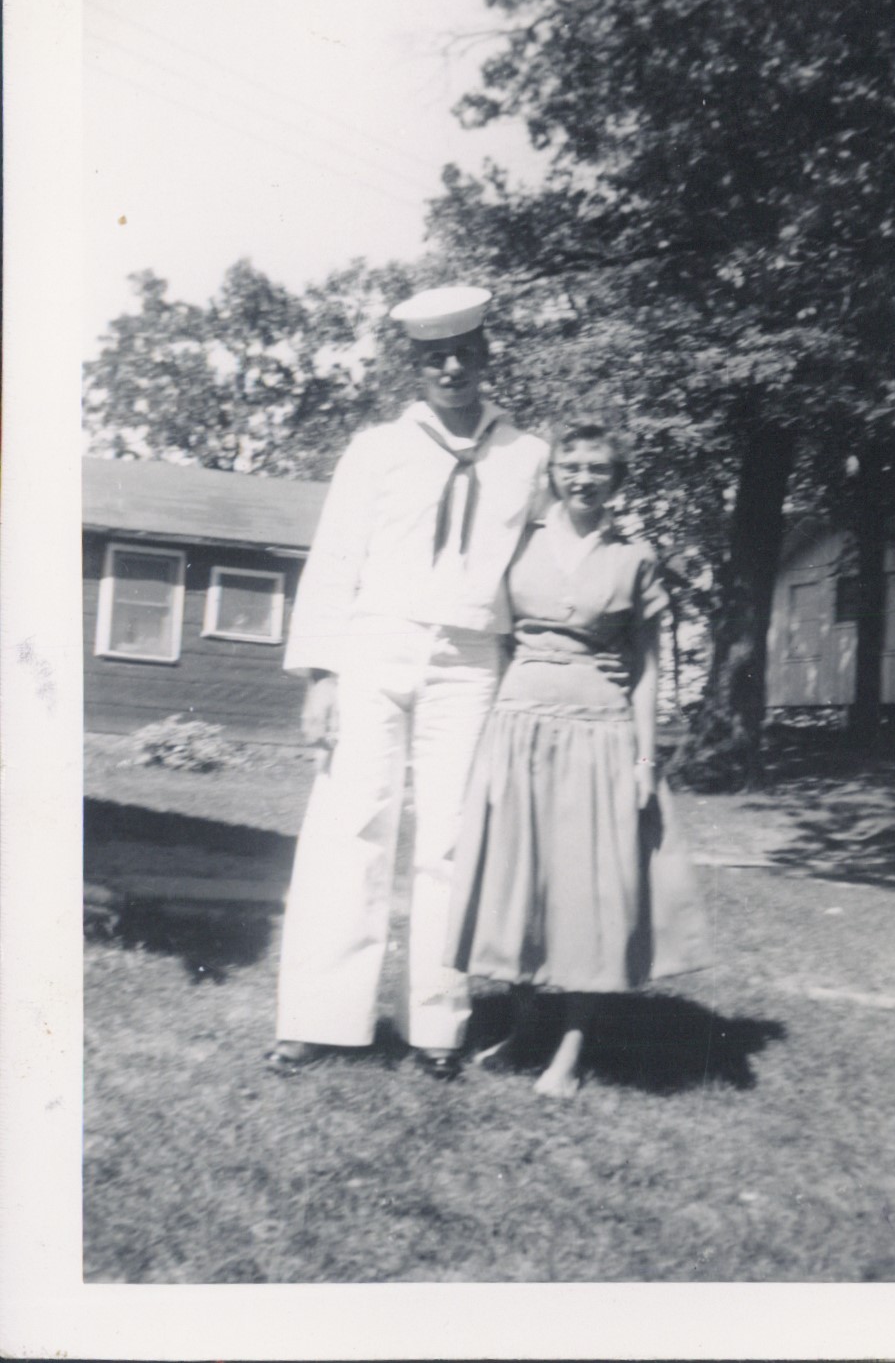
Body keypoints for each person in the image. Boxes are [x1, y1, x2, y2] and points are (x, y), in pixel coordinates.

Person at [266, 285, 549, 1080]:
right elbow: (335, 562)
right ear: (415, 367)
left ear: (486, 355)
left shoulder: (528, 455)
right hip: (374, 647)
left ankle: (437, 1026)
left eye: (464, 353)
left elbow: (538, 570)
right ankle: (318, 1017)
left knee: (452, 838)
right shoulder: (376, 449)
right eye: (435, 358)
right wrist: (322, 675)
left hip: (472, 658)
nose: (452, 369)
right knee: (350, 823)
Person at [444, 418, 712, 1098]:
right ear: (554, 473)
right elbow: (494, 639)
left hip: (600, 735)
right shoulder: (518, 543)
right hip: (519, 729)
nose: (583, 478)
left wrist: (646, 761)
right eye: (571, 465)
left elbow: (646, 668)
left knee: (586, 893)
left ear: (617, 479)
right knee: (519, 881)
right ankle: (524, 1028)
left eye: (598, 467)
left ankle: (570, 1049)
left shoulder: (634, 557)